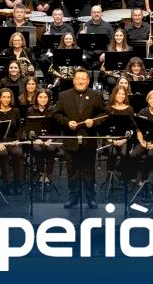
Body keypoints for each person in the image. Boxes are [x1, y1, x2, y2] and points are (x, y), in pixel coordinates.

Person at [55, 69, 105, 208]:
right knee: (72, 171)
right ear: (74, 80)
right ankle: (73, 197)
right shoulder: (63, 95)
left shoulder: (96, 95)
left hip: (89, 140)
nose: (81, 81)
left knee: (89, 170)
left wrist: (94, 122)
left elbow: (104, 114)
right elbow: (56, 114)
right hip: (71, 140)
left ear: (88, 81)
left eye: (84, 79)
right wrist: (67, 122)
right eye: (78, 78)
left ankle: (90, 198)